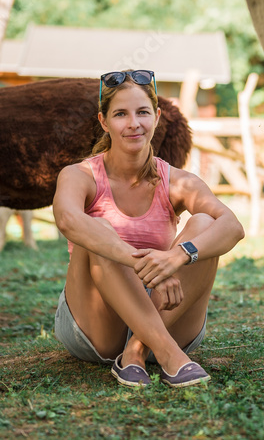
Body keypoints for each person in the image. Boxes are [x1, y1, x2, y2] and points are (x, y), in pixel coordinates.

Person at [53, 69, 245, 388]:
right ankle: (169, 355)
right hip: (96, 325)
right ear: (104, 121)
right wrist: (147, 264)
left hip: (165, 310)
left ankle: (137, 350)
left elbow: (232, 227)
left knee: (205, 223)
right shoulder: (79, 175)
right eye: (120, 114)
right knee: (97, 229)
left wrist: (178, 257)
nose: (133, 124)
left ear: (156, 117)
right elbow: (68, 220)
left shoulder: (179, 181)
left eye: (142, 112)